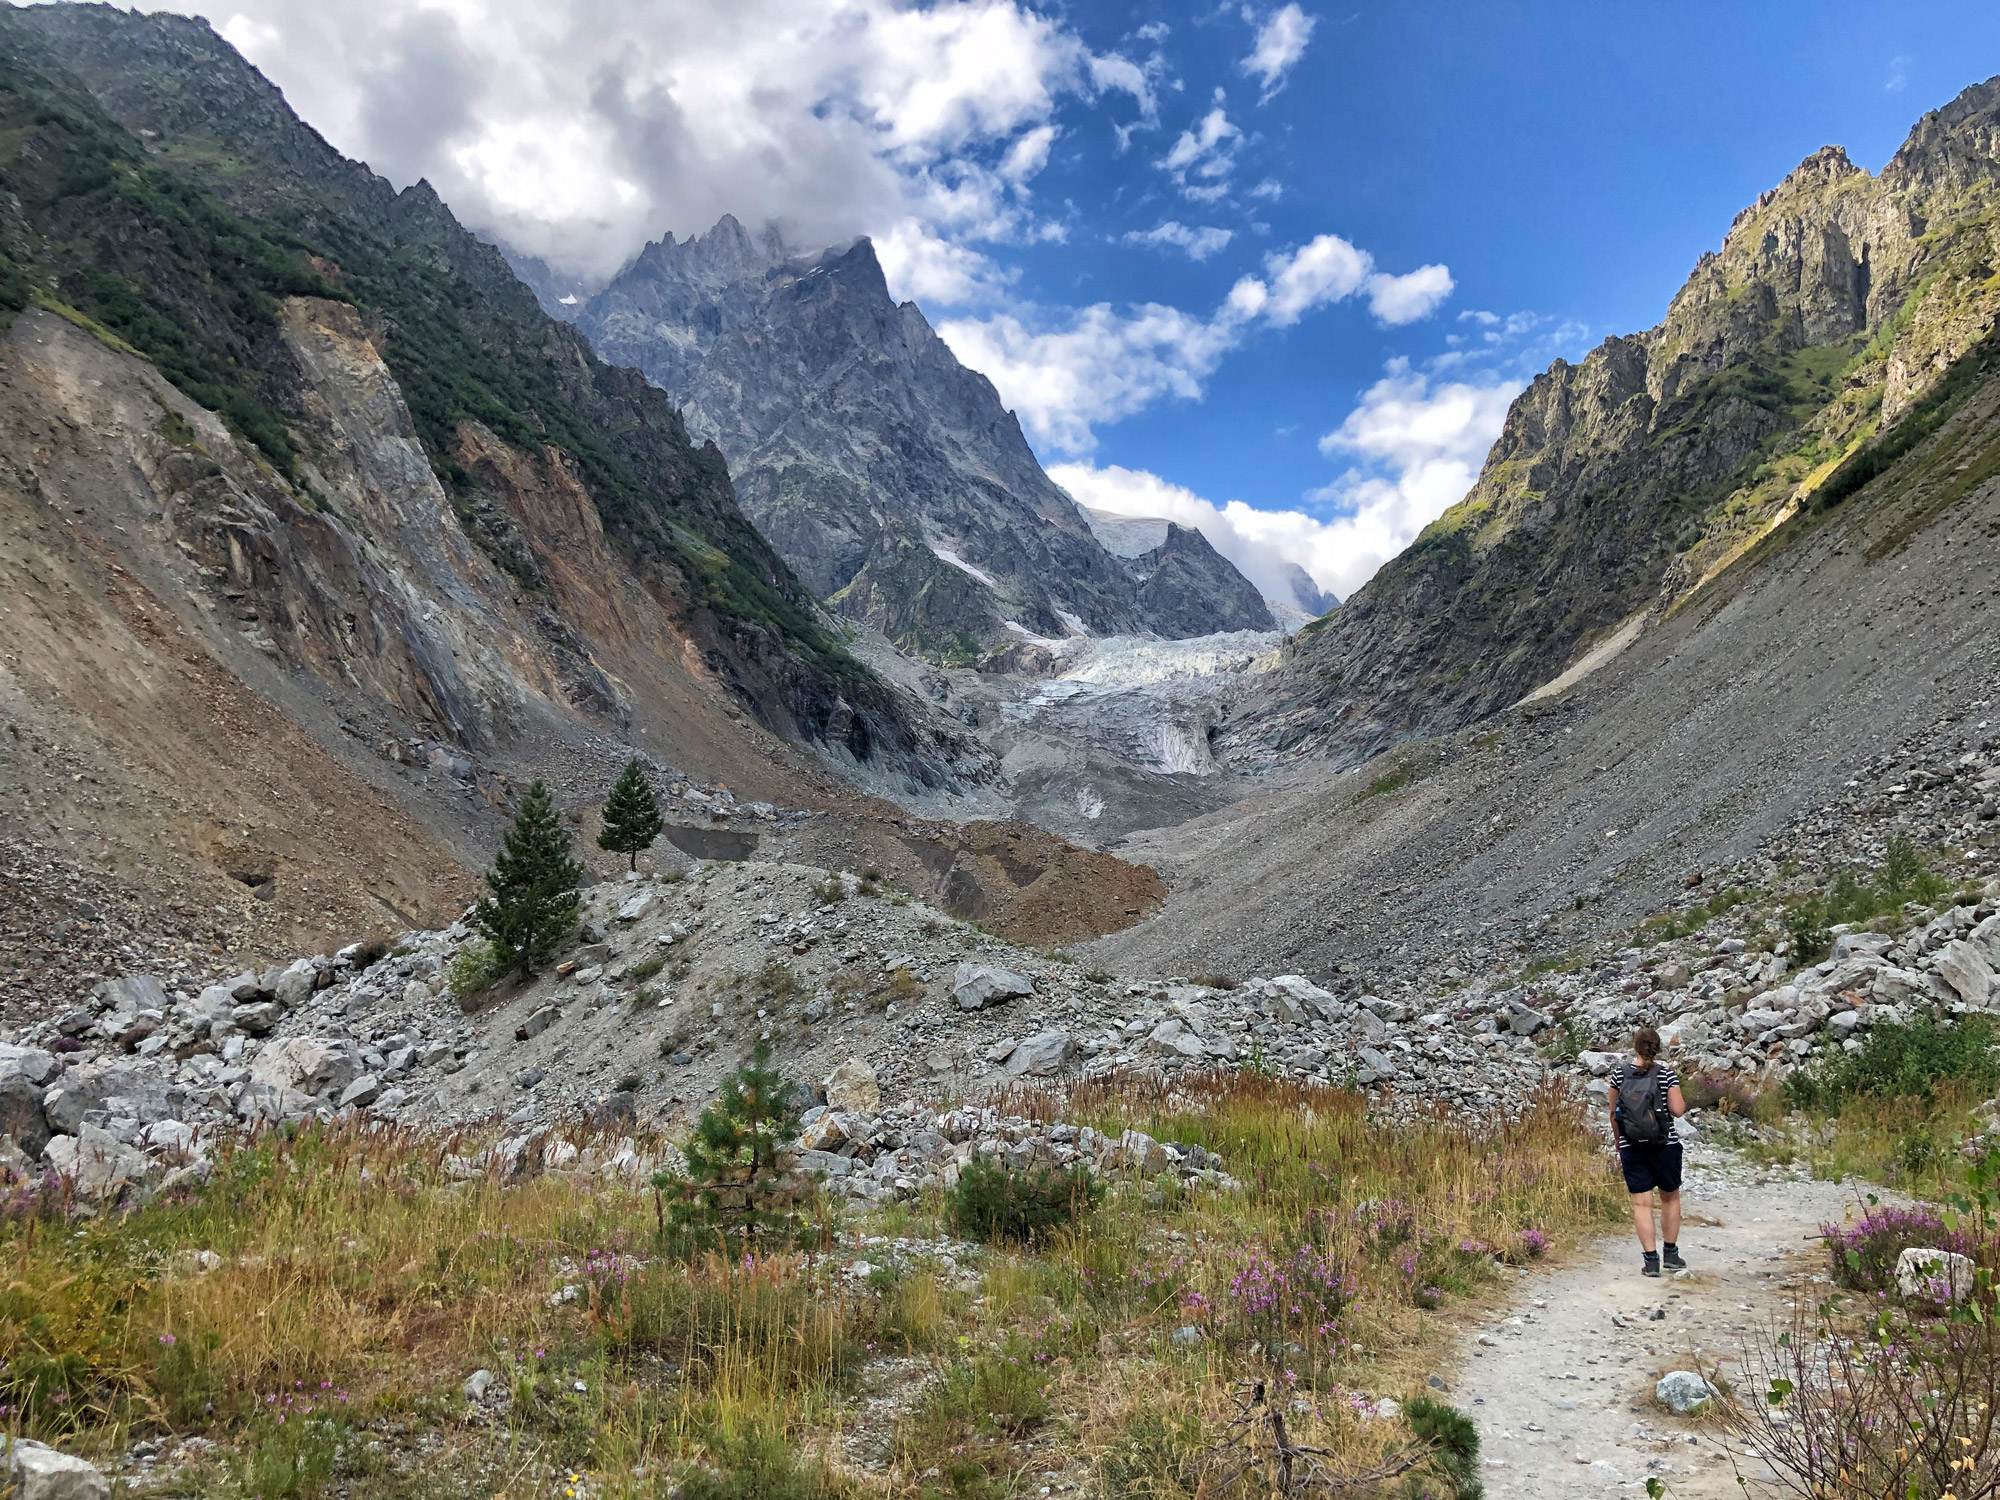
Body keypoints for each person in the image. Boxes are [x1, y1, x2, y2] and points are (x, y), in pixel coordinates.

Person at [1608, 1025, 1688, 1277]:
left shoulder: (1619, 1076)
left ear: (1635, 1046)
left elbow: (1614, 1114)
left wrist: (1620, 1142)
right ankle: (1671, 1255)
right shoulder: (1667, 1075)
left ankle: (1651, 1261)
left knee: (1642, 1204)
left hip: (1633, 1145)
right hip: (1665, 1144)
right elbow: (1678, 1110)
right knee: (1670, 1198)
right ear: (1657, 1047)